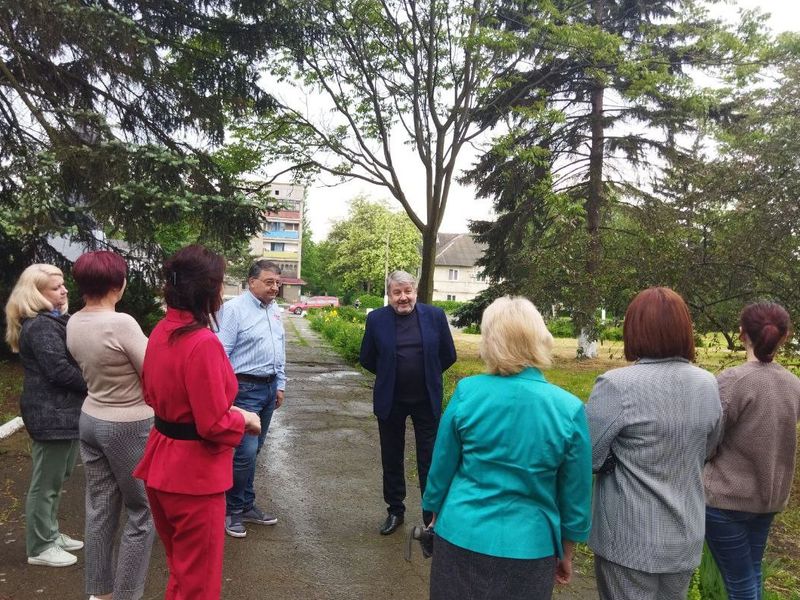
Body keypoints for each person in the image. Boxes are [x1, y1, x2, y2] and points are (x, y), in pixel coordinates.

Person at [422, 296, 592, 600]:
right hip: (530, 546)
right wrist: (567, 551)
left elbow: (442, 465)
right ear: (540, 339)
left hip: (462, 533)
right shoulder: (568, 409)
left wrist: (434, 513)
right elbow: (575, 494)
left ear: (490, 341)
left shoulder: (468, 393)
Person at [133, 245, 261, 600]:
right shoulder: (202, 342)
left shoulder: (161, 330)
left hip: (161, 464)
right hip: (193, 478)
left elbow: (151, 394)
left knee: (182, 573)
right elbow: (212, 425)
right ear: (209, 289)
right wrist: (245, 419)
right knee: (199, 585)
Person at [586, 287, 723, 600]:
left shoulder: (617, 385)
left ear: (634, 330)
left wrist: (614, 458)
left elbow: (589, 454)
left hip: (628, 538)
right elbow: (709, 448)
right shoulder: (707, 384)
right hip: (684, 536)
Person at [66, 251, 154, 600]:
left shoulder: (74, 321)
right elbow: (154, 371)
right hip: (127, 424)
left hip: (91, 417)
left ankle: (99, 594)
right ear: (119, 285)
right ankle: (126, 595)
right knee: (142, 512)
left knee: (100, 508)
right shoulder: (121, 323)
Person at [704, 302, 800, 600]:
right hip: (768, 499)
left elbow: (709, 441)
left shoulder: (732, 381)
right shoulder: (794, 384)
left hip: (725, 501)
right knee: (751, 573)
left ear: (741, 332)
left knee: (740, 580)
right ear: (785, 336)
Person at [359, 270, 456, 535]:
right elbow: (367, 357)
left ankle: (430, 516)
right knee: (392, 456)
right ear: (389, 295)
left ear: (415, 291)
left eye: (408, 291)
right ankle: (395, 510)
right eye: (397, 292)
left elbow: (448, 354)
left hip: (426, 399)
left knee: (431, 459)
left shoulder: (434, 316)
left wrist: (426, 373)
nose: (403, 298)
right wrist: (391, 373)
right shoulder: (377, 319)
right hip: (391, 400)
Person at [4, 263, 87, 567]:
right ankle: (40, 546)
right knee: (46, 483)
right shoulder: (41, 326)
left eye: (63, 284)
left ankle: (50, 533)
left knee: (58, 477)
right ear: (35, 294)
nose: (64, 290)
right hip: (51, 414)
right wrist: (98, 383)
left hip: (63, 414)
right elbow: (60, 371)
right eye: (55, 287)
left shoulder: (53, 321)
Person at [216, 259, 286, 538]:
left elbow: (279, 347)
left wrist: (280, 384)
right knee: (243, 453)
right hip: (243, 389)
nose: (275, 288)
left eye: (277, 283)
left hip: (268, 389)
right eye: (269, 282)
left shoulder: (274, 309)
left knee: (254, 452)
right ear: (251, 282)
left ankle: (245, 504)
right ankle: (231, 510)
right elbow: (221, 352)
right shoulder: (233, 310)